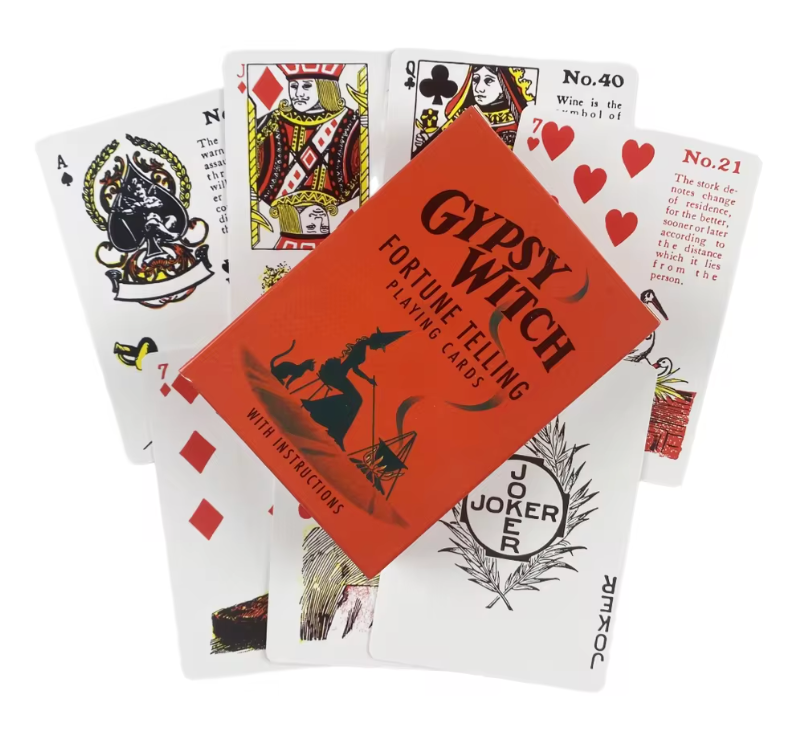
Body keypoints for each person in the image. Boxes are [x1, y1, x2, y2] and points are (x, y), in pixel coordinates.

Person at [254, 64, 363, 249]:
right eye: (294, 86)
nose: (298, 94)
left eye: (306, 86)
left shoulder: (353, 123)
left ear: (324, 87)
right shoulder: (270, 122)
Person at [301, 329, 409, 451]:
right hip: (336, 375)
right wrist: (367, 379)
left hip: (338, 374)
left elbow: (354, 368)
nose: (377, 349)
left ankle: (335, 429)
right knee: (356, 400)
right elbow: (351, 365)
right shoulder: (360, 348)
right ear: (377, 342)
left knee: (354, 400)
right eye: (380, 346)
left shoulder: (362, 346)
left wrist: (368, 379)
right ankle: (328, 421)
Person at [414, 65, 534, 154]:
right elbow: (442, 144)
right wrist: (427, 144)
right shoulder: (463, 115)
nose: (478, 88)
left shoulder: (517, 125)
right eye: (475, 80)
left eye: (488, 80)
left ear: (503, 83)